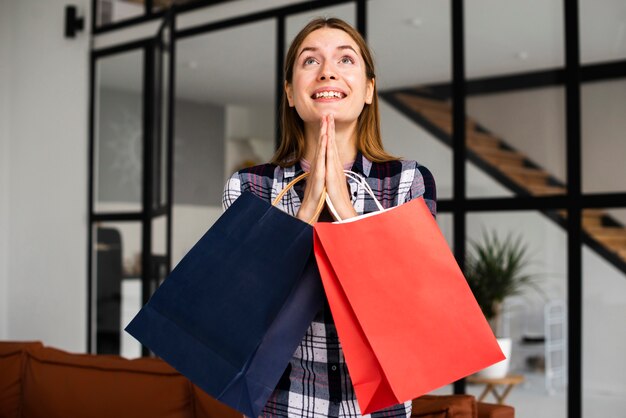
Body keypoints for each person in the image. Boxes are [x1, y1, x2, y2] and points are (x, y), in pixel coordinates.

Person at [223, 17, 436, 418]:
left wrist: (344, 209)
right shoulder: (249, 188)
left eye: (345, 59)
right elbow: (243, 317)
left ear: (369, 89)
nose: (327, 71)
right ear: (289, 92)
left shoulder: (409, 182)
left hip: (379, 411)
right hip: (282, 408)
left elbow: (412, 313)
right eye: (309, 61)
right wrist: (305, 212)